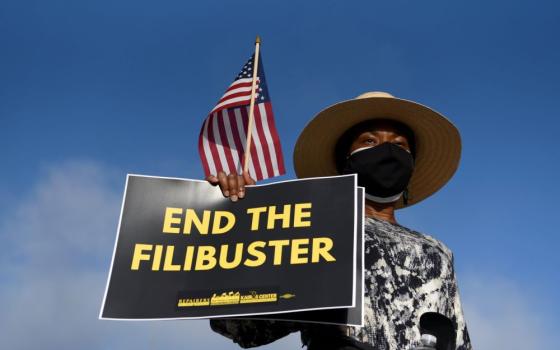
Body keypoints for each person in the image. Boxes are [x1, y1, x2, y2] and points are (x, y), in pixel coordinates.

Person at [206, 92, 472, 350]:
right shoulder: (314, 233)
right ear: (345, 160)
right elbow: (241, 326)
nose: (388, 150)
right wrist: (239, 222)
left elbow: (458, 341)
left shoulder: (436, 252)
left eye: (400, 144)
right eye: (369, 141)